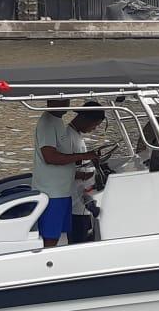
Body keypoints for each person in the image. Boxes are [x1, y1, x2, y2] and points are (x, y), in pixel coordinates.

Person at [32, 99, 101, 247]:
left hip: (62, 192)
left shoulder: (58, 122)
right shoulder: (48, 122)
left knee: (60, 238)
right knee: (50, 239)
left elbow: (63, 156)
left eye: (67, 99)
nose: (67, 102)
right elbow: (50, 157)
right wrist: (84, 156)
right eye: (63, 98)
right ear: (51, 100)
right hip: (52, 193)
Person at [67, 101, 107, 244]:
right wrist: (86, 174)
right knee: (79, 240)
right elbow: (62, 168)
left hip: (82, 197)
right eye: (94, 125)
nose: (94, 129)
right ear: (86, 118)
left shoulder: (76, 135)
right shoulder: (68, 137)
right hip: (75, 203)